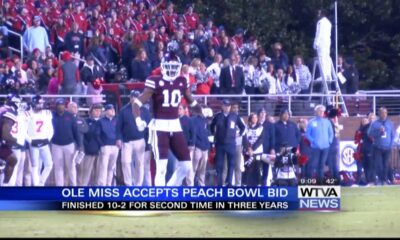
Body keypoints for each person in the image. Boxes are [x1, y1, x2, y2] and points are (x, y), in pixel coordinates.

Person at [132, 51, 201, 187]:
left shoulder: (182, 81)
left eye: (175, 66)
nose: (173, 69)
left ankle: (169, 190)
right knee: (161, 167)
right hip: (159, 127)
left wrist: (202, 110)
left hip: (175, 126)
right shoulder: (154, 81)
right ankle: (161, 197)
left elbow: (191, 102)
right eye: (170, 66)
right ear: (163, 66)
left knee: (186, 166)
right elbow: (136, 103)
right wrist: (138, 120)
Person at [116, 91, 150, 186]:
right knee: (125, 162)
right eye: (133, 97)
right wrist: (118, 138)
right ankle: (128, 184)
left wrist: (148, 142)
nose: (134, 98)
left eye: (136, 97)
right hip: (127, 141)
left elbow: (149, 127)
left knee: (139, 164)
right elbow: (118, 127)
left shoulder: (145, 111)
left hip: (140, 140)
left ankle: (138, 184)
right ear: (130, 98)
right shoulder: (123, 111)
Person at [210, 99, 246, 186]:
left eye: (228, 106)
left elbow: (242, 127)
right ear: (222, 106)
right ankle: (220, 183)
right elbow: (211, 126)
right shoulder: (218, 116)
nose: (227, 107)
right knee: (219, 164)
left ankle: (229, 181)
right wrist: (214, 134)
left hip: (231, 143)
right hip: (220, 144)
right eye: (225, 106)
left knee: (231, 163)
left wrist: (239, 134)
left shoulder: (234, 116)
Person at [51, 98, 81, 186]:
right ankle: (59, 187)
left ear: (65, 106)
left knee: (71, 166)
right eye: (59, 105)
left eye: (62, 105)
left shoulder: (70, 116)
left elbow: (76, 131)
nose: (60, 107)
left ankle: (73, 186)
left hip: (69, 145)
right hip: (56, 145)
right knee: (58, 167)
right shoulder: (51, 116)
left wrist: (79, 145)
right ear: (56, 106)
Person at [26, 95, 54, 186]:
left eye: (42, 103)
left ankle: (41, 183)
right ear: (34, 103)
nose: (41, 106)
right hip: (33, 142)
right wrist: (30, 141)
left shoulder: (47, 113)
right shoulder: (28, 114)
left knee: (49, 165)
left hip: (44, 141)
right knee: (35, 166)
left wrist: (48, 139)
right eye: (39, 103)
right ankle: (36, 185)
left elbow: (51, 129)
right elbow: (23, 130)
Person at [305, 104, 334, 184]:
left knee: (321, 165)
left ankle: (320, 182)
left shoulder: (327, 122)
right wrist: (313, 141)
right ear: (316, 112)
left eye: (323, 111)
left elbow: (331, 133)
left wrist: (329, 141)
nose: (321, 112)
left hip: (325, 147)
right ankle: (309, 182)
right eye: (320, 111)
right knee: (312, 165)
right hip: (315, 147)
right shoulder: (311, 122)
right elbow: (307, 134)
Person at [368, 107, 395, 185]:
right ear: (379, 114)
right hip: (378, 147)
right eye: (382, 113)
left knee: (386, 164)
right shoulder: (375, 123)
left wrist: (391, 145)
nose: (384, 114)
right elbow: (369, 133)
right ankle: (380, 179)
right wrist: (378, 132)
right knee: (379, 165)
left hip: (387, 147)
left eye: (385, 113)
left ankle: (385, 179)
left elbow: (392, 135)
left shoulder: (390, 123)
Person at [78, 104, 102, 186]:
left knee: (99, 172)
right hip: (89, 150)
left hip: (101, 150)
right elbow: (83, 135)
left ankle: (97, 187)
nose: (98, 112)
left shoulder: (102, 121)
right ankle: (83, 187)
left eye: (99, 110)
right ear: (90, 112)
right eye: (95, 110)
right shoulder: (86, 121)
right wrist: (86, 146)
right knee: (86, 171)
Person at [97, 104, 119, 186]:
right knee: (104, 167)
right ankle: (102, 185)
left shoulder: (117, 120)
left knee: (112, 167)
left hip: (115, 146)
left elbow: (119, 132)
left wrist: (119, 141)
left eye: (113, 108)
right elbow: (97, 134)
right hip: (105, 146)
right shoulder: (101, 121)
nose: (113, 110)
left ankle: (109, 184)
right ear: (106, 111)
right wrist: (102, 145)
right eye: (110, 109)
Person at [0, 94, 20, 186]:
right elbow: (5, 135)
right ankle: (5, 185)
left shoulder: (2, 109)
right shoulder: (9, 112)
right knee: (12, 159)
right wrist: (14, 140)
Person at [191, 105, 211, 186]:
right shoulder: (194, 120)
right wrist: (194, 145)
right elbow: (194, 133)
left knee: (202, 169)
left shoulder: (205, 121)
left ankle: (201, 184)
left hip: (205, 148)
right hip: (197, 147)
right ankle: (190, 184)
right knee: (193, 168)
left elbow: (208, 132)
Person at [242, 113, 264, 186]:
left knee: (257, 168)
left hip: (257, 151)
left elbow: (261, 139)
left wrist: (253, 149)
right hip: (248, 151)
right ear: (250, 119)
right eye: (253, 117)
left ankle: (259, 184)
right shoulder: (246, 127)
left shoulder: (261, 127)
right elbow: (244, 139)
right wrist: (248, 148)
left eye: (256, 117)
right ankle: (245, 183)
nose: (255, 119)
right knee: (248, 168)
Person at [313, 9, 334, 83]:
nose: (318, 15)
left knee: (321, 58)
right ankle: (328, 74)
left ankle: (323, 75)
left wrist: (316, 43)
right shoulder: (329, 23)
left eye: (319, 13)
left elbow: (319, 33)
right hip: (327, 42)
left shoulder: (320, 22)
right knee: (327, 57)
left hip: (321, 42)